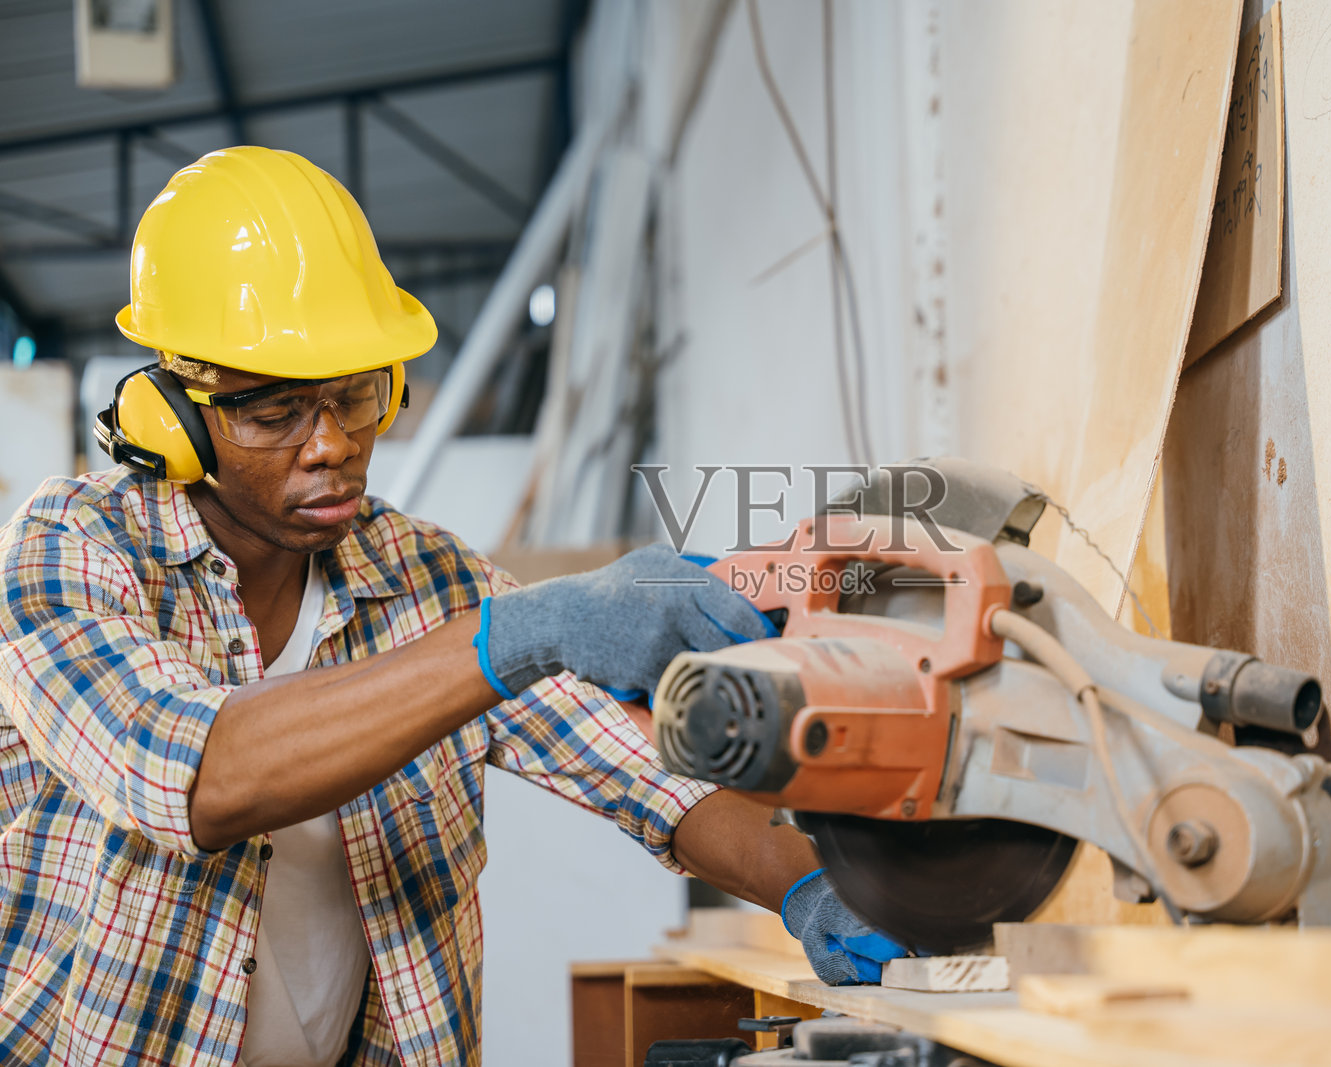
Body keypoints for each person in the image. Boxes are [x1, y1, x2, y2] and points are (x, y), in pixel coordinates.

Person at [0, 147, 902, 1067]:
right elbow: (194, 776)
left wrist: (816, 886)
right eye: (274, 415)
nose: (333, 447)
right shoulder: (72, 551)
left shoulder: (426, 575)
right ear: (173, 416)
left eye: (357, 397)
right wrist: (515, 633)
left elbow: (638, 769)